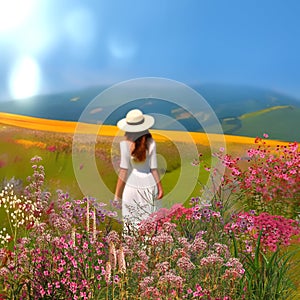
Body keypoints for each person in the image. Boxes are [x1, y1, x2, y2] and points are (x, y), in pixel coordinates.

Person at [114, 109, 163, 225]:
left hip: (131, 186)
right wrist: (160, 187)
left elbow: (123, 171)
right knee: (149, 221)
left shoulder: (124, 144)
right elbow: (154, 168)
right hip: (149, 184)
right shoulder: (151, 143)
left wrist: (117, 195)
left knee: (130, 221)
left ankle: (131, 242)